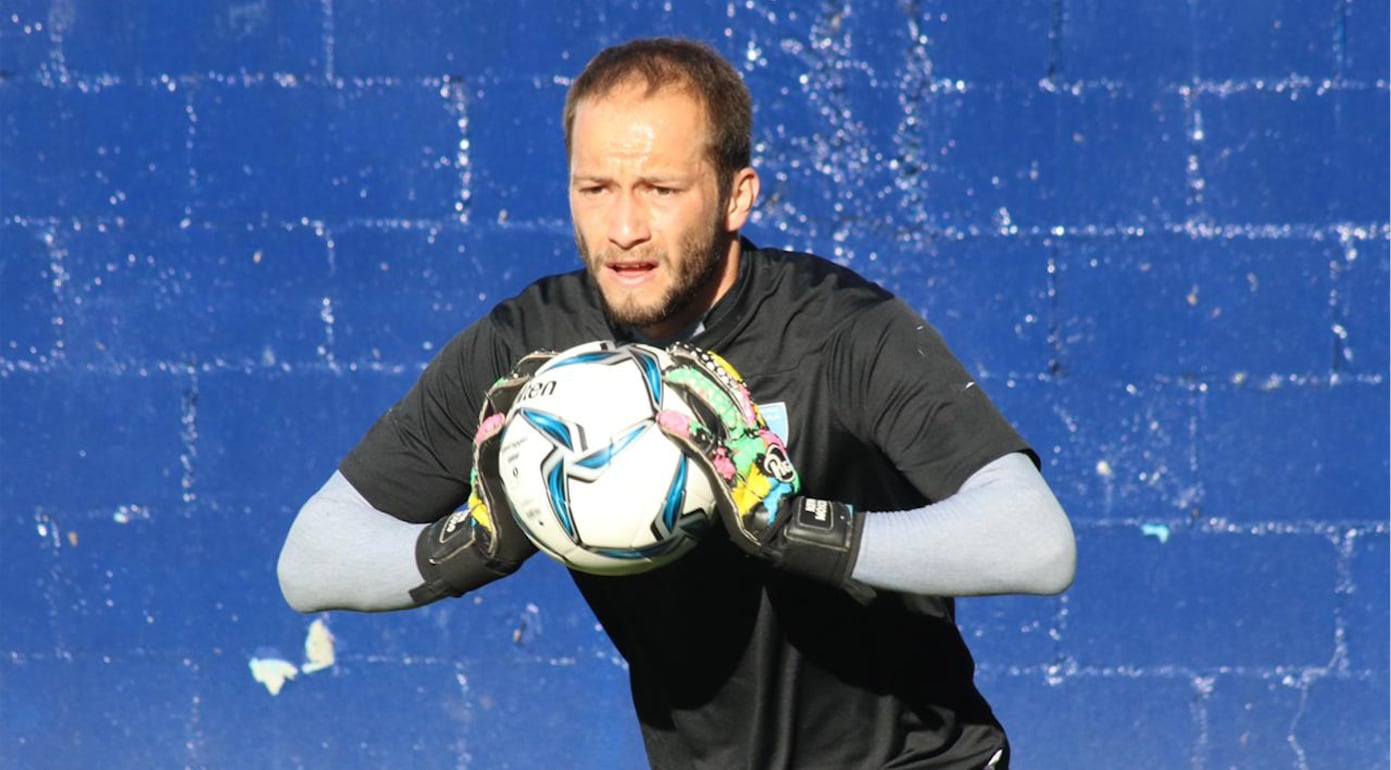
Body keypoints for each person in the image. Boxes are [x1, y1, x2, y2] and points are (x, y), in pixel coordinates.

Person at [277, 36, 1076, 770]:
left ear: (736, 197)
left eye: (660, 189)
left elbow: (1034, 544)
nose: (623, 227)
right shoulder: (530, 352)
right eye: (595, 188)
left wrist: (795, 529)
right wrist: (470, 545)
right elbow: (311, 560)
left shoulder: (837, 330)